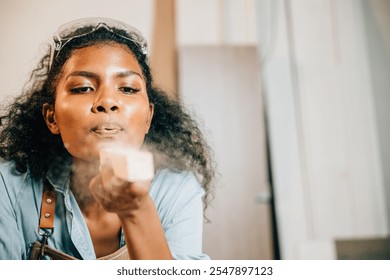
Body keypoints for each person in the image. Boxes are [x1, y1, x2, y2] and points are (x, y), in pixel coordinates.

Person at [0, 17, 214, 260]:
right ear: (52, 118)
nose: (107, 102)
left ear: (148, 118)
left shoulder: (177, 189)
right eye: (82, 88)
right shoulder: (7, 186)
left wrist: (136, 210)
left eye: (127, 89)